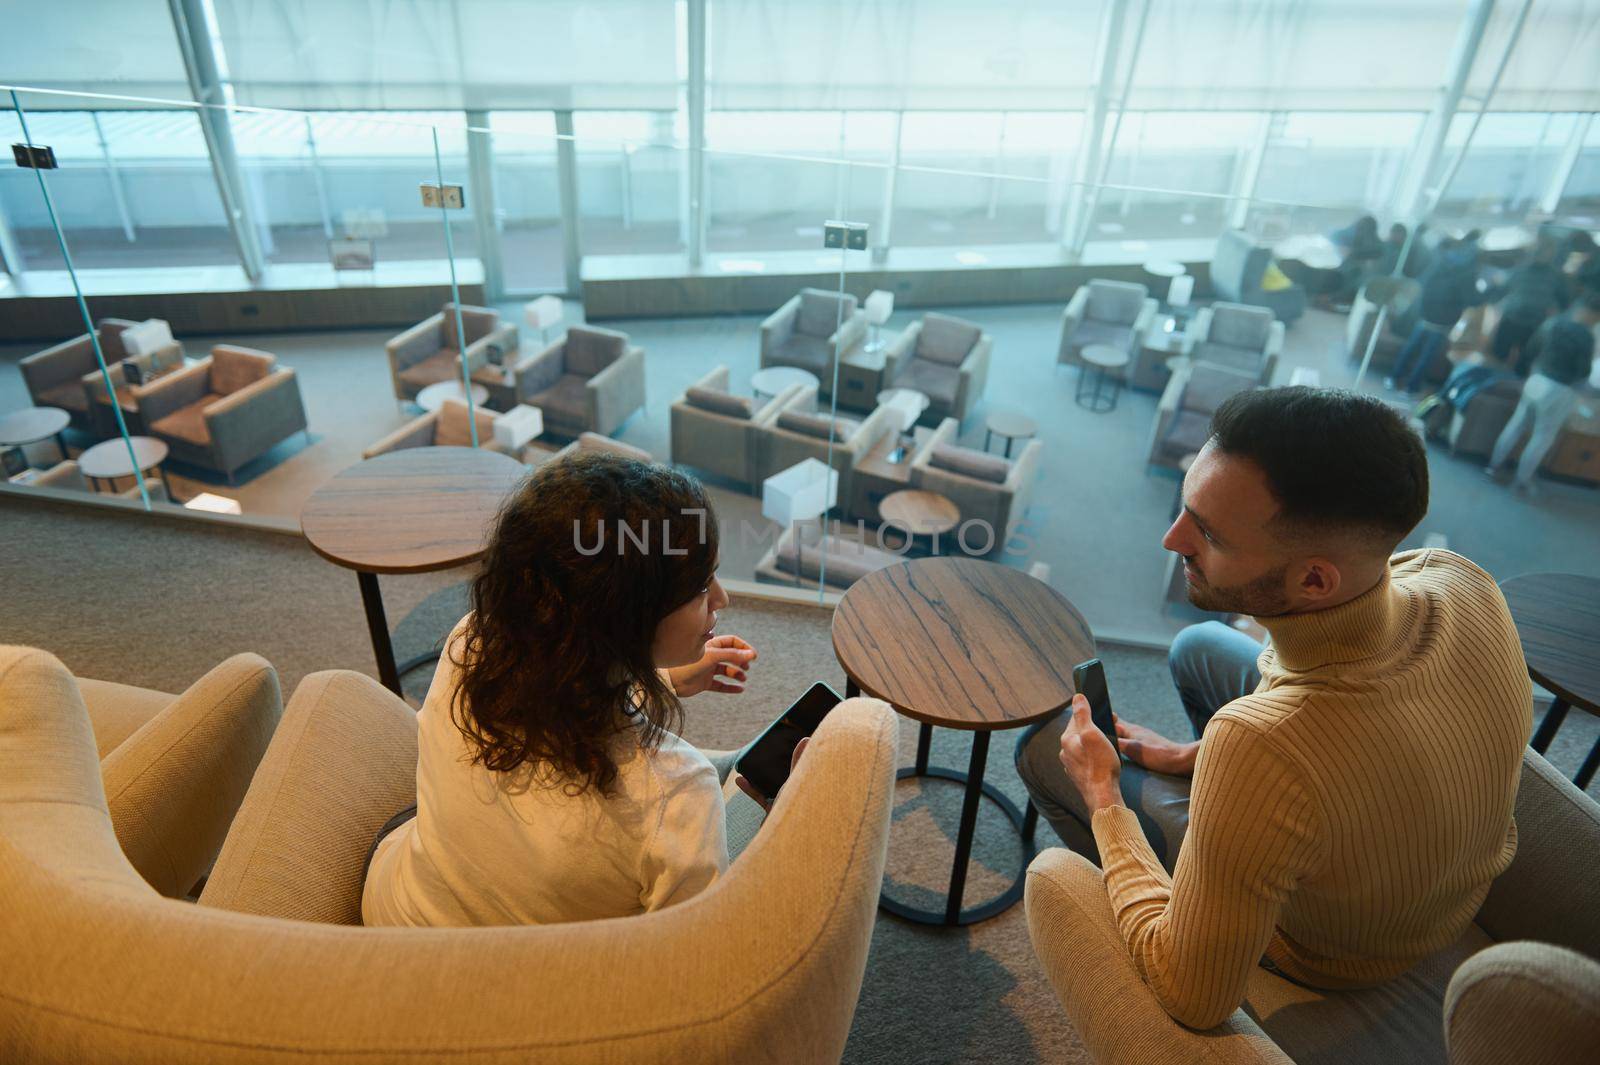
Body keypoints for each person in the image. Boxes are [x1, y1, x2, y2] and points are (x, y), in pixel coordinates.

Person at [1018, 387, 1530, 1035]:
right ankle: (1230, 807)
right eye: (1186, 507)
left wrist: (1102, 797)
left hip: (1332, 955)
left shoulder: (1262, 743)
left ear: (1314, 581)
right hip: (1435, 887)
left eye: (1206, 532)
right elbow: (1317, 728)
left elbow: (1193, 993)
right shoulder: (1458, 579)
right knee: (1197, 647)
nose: (1171, 538)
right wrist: (1189, 754)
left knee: (1042, 751)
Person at [362, 452, 785, 927]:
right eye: (698, 589)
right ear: (625, 617)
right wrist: (791, 830)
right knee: (763, 816)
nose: (722, 599)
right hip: (519, 992)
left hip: (400, 921)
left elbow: (567, 682)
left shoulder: (472, 642)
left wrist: (665, 680)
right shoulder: (676, 793)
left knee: (406, 825)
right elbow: (690, 961)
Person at [1485, 312, 1597, 494]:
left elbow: (1531, 349)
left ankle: (1493, 466)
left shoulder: (1553, 324)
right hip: (1560, 389)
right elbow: (1584, 370)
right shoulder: (1585, 336)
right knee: (1542, 436)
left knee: (1516, 425)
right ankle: (1522, 479)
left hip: (1536, 378)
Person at [1386, 237, 1485, 395]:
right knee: (1427, 354)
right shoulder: (1467, 273)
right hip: (1443, 319)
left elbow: (1423, 281)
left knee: (1412, 346)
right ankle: (1411, 388)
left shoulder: (1441, 261)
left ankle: (1393, 378)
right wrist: (1490, 292)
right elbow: (1471, 299)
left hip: (1426, 313)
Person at [1487, 236, 1571, 376]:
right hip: (1515, 319)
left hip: (1531, 322)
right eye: (1539, 249)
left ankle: (1509, 387)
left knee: (1522, 360)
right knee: (1502, 355)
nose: (1541, 253)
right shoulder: (1520, 270)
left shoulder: (1555, 276)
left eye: (1545, 250)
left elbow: (1564, 302)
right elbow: (1501, 291)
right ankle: (1495, 383)